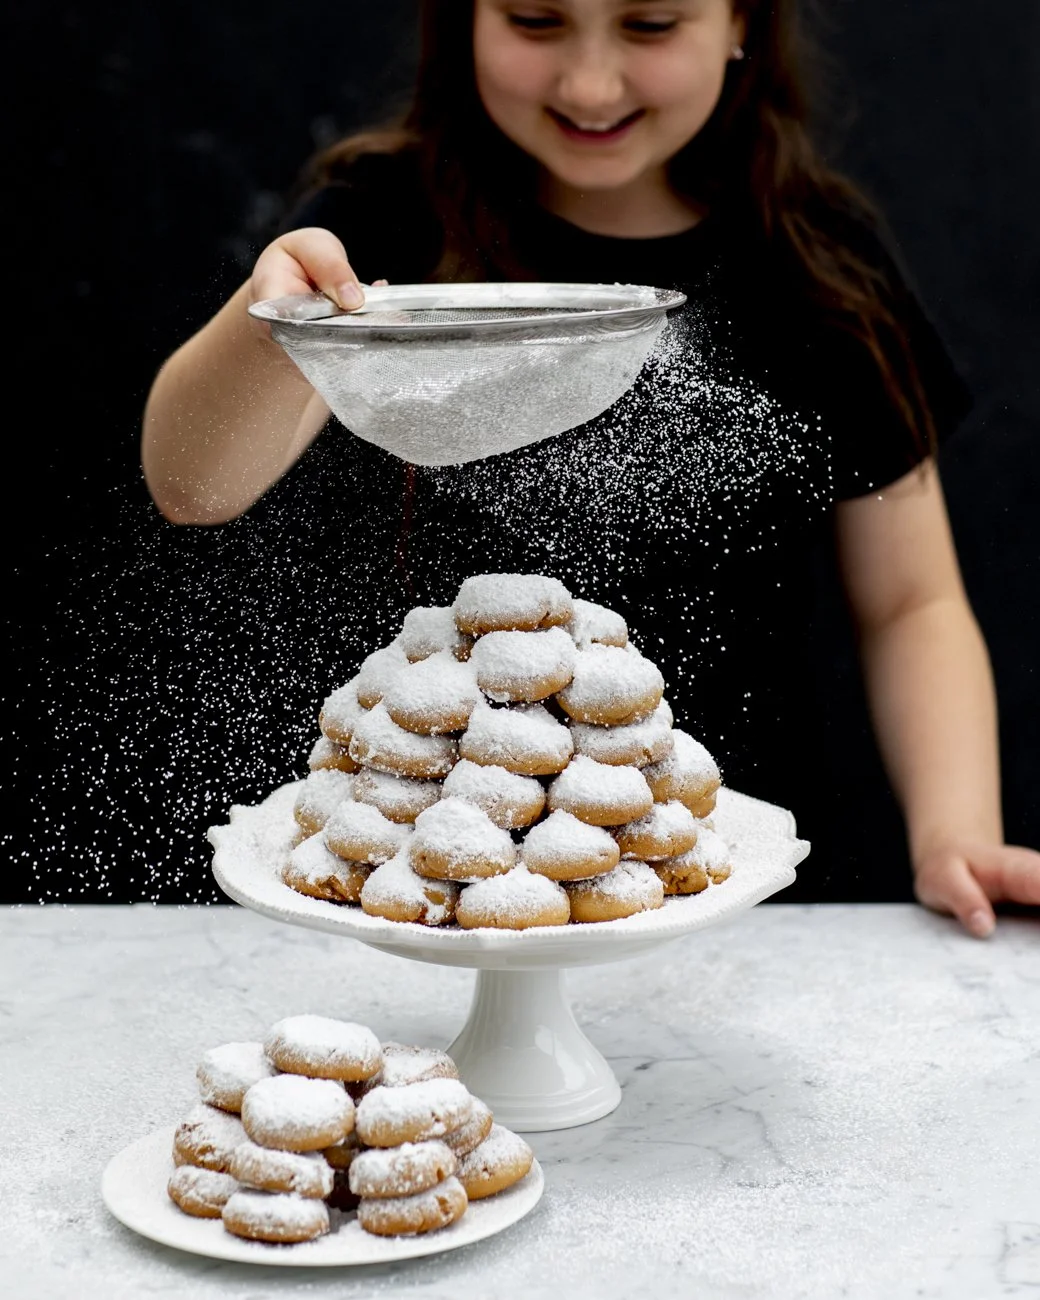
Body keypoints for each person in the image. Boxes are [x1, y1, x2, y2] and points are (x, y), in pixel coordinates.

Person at [141, 0, 1039, 935]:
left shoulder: (817, 263)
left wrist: (956, 832)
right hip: (425, 880)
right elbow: (193, 486)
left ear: (742, 25)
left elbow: (912, 605)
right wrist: (274, 318)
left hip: (719, 885)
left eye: (650, 26)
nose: (589, 83)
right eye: (535, 21)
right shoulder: (378, 233)